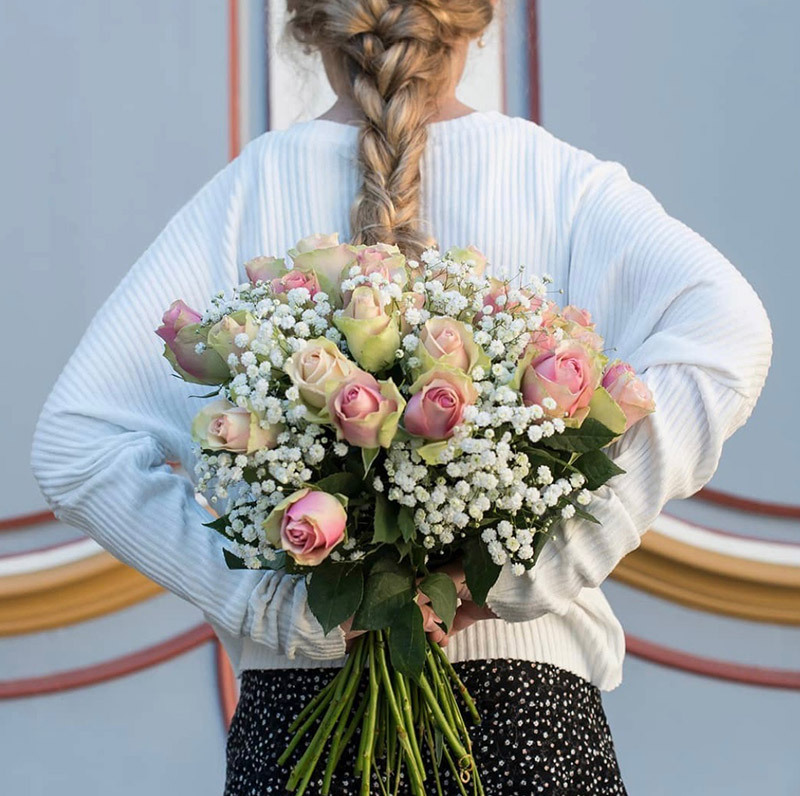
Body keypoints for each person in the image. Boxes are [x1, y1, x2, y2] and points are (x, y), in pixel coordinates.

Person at [29, 1, 773, 794]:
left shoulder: (244, 195)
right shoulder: (556, 181)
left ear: (309, 25)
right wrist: (529, 567)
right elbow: (730, 330)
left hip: (302, 724)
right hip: (531, 724)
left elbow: (76, 446)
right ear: (476, 24)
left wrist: (285, 609)